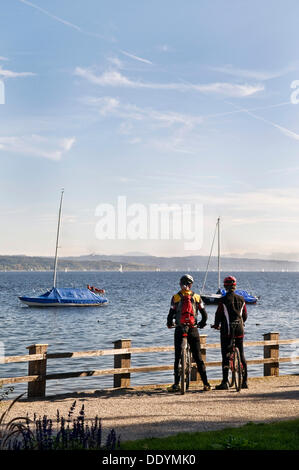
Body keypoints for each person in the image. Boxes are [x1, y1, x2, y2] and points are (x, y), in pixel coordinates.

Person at [167, 274, 211, 392]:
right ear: (191, 285)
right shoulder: (197, 297)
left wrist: (170, 323)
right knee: (198, 357)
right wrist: (202, 323)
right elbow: (204, 315)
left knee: (177, 357)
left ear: (180, 284)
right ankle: (206, 384)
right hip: (192, 328)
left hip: (180, 329)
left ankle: (176, 384)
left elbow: (170, 314)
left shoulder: (176, 297)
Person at [211, 275, 248, 390]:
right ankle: (245, 381)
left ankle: (225, 382)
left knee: (225, 355)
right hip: (240, 329)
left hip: (227, 331)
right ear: (235, 286)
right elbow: (245, 316)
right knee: (241, 353)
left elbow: (218, 315)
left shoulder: (223, 300)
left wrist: (216, 325)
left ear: (225, 287)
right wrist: (242, 322)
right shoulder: (242, 299)